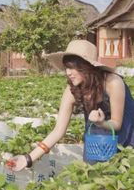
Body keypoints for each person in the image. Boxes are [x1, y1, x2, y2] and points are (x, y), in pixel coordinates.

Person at [7, 39, 134, 171]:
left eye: (73, 67)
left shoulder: (112, 82)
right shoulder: (72, 90)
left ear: (88, 67)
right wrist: (27, 159)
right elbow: (58, 131)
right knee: (95, 180)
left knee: (124, 180)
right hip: (95, 140)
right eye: (67, 67)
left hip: (126, 135)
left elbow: (117, 123)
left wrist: (102, 123)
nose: (68, 72)